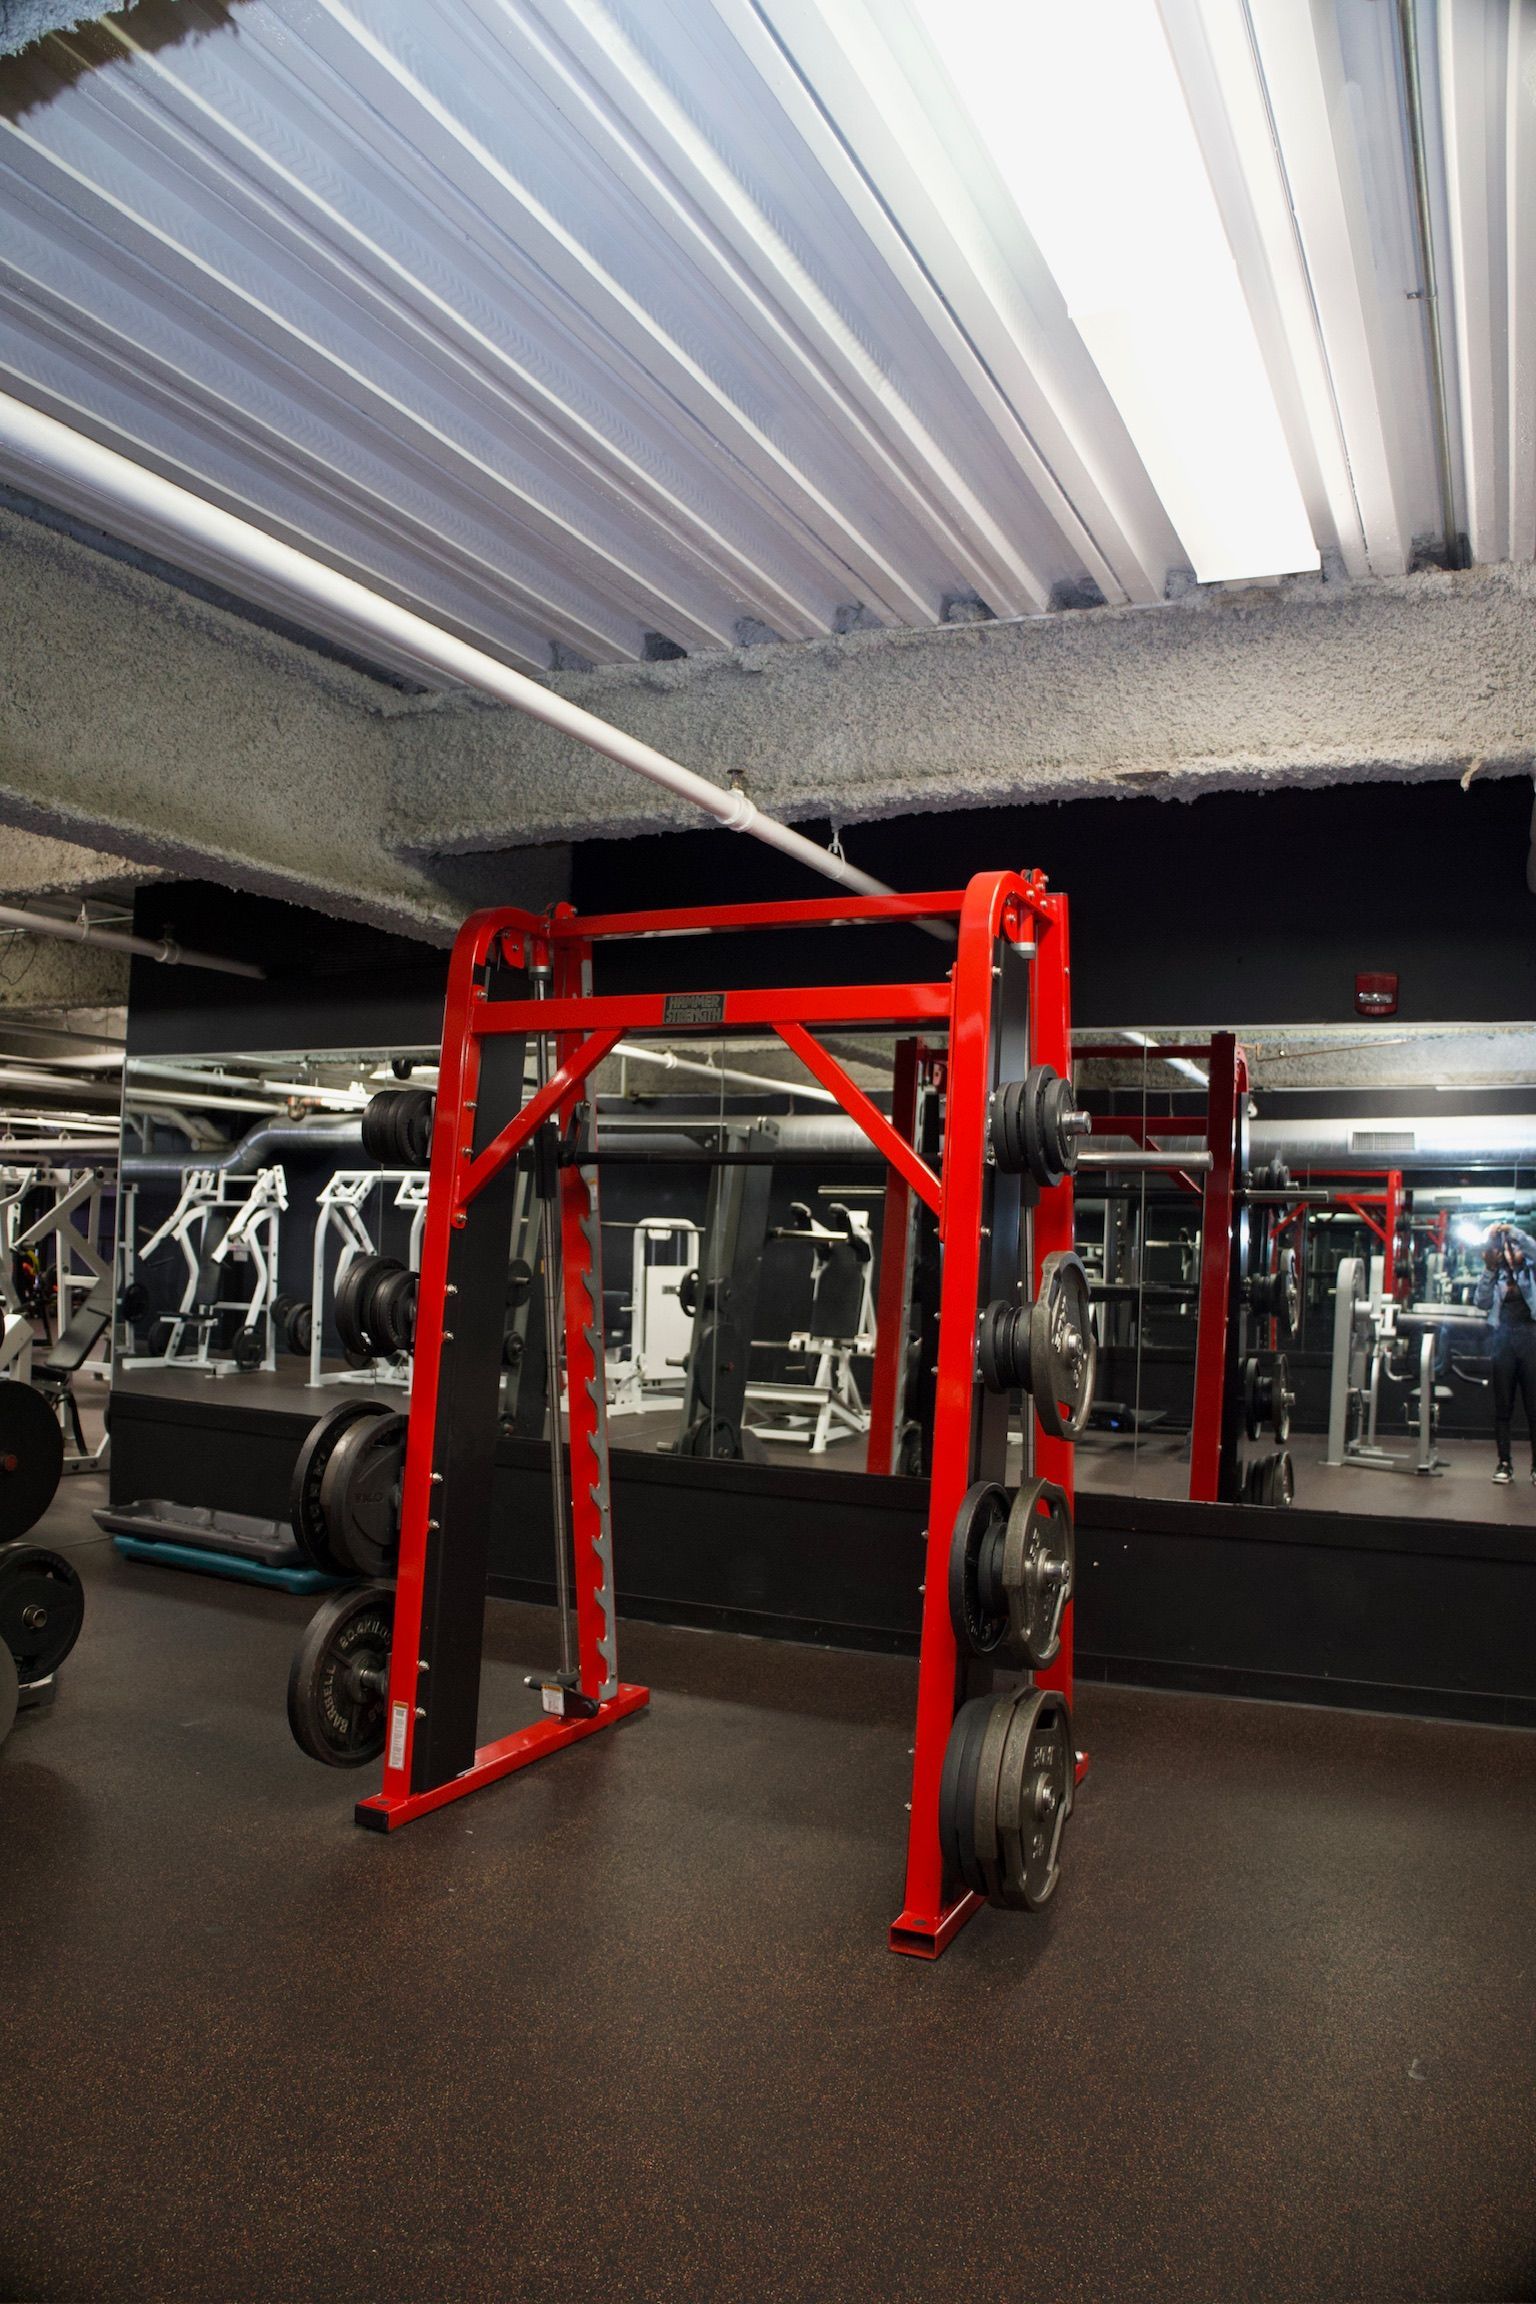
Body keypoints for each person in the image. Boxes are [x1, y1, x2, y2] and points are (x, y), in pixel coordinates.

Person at [1473, 1223, 1536, 1483]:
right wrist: (1489, 1266)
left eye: (1515, 1249)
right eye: (1506, 1250)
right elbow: (1481, 1302)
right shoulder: (1495, 1274)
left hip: (1531, 1339)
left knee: (1534, 1406)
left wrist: (1512, 1232)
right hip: (1503, 1342)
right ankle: (1504, 1463)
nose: (1511, 1253)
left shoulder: (1531, 1272)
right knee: (1503, 1407)